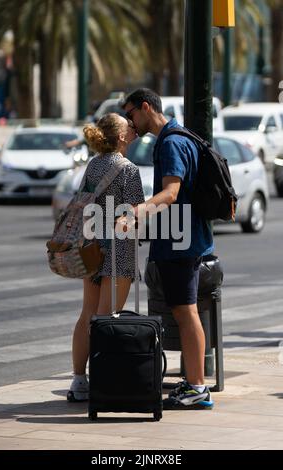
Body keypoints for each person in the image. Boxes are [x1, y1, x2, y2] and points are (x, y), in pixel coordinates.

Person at [120, 88, 215, 410]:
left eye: (131, 114)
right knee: (183, 310)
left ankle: (198, 387)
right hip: (182, 239)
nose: (129, 122)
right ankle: (195, 384)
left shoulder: (172, 142)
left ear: (146, 107)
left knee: (186, 312)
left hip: (180, 243)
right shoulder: (176, 136)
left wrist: (136, 213)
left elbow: (171, 193)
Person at [67, 113, 145, 402]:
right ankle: (103, 380)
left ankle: (78, 380)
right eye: (129, 128)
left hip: (91, 246)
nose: (134, 131)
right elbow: (137, 212)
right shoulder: (128, 169)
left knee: (87, 314)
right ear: (121, 137)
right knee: (106, 317)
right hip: (119, 249)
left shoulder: (93, 165)